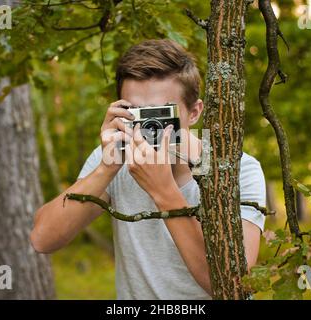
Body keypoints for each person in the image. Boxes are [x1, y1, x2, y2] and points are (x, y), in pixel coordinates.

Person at [30, 39, 266, 299]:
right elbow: (42, 239)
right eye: (135, 112)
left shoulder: (237, 168)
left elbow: (234, 288)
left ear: (194, 112)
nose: (148, 125)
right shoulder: (114, 157)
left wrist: (164, 192)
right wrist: (107, 168)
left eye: (161, 112)